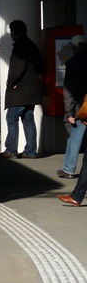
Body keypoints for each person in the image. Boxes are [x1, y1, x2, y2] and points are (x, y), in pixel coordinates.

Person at [0, 19, 44, 159]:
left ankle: (11, 150)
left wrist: (11, 82)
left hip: (21, 90)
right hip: (32, 89)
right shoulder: (32, 45)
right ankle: (30, 151)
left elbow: (18, 67)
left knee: (12, 118)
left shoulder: (20, 46)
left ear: (14, 32)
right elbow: (39, 66)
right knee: (28, 119)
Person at [58, 35, 87, 178]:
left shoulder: (73, 63)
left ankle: (69, 169)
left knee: (75, 139)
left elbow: (69, 92)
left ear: (74, 48)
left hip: (82, 108)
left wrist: (69, 113)